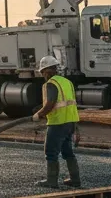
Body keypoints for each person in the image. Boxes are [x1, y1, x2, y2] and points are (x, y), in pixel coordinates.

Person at [31, 56, 81, 189]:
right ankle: (75, 180)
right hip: (70, 123)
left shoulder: (51, 83)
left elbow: (51, 103)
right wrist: (76, 128)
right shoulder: (67, 82)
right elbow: (72, 105)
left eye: (43, 72)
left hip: (57, 123)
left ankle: (51, 181)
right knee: (67, 152)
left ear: (47, 70)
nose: (43, 75)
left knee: (51, 153)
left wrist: (39, 115)